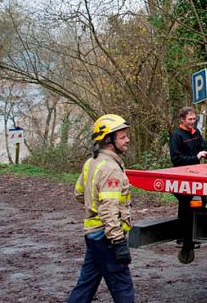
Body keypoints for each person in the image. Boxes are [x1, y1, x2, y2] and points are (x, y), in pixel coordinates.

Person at [69, 114, 134, 303]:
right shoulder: (110, 169)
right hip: (107, 238)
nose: (127, 140)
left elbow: (80, 194)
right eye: (122, 137)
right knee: (123, 288)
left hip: (93, 235)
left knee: (85, 286)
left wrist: (94, 208)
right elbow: (108, 209)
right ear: (108, 140)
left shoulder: (92, 162)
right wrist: (118, 241)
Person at [169, 106, 207, 263]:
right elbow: (176, 159)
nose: (192, 121)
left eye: (194, 119)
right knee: (186, 206)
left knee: (201, 202)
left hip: (197, 176)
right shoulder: (176, 136)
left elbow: (203, 147)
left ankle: (194, 235)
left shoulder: (196, 133)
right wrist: (195, 157)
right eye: (189, 119)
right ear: (182, 119)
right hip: (182, 177)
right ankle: (183, 238)